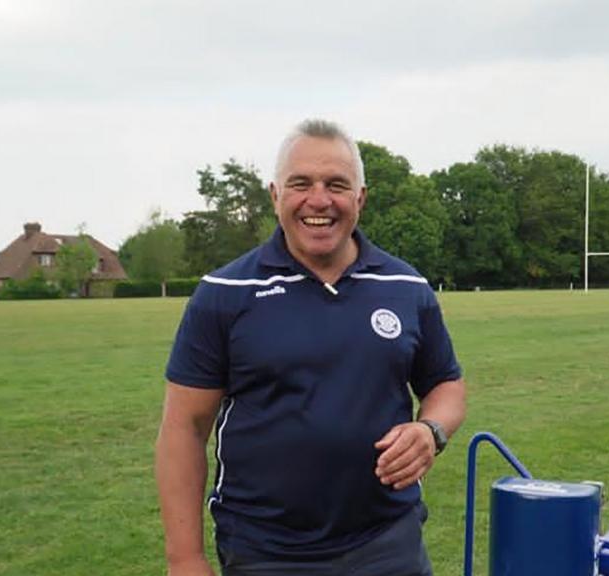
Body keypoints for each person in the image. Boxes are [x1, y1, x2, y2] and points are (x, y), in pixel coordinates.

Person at [156, 119, 467, 576]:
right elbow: (184, 426)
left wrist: (430, 431)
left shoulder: (406, 286)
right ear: (275, 195)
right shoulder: (224, 292)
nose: (318, 200)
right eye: (300, 183)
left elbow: (446, 384)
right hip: (265, 552)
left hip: (387, 545)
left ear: (360, 197)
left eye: (336, 185)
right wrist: (185, 559)